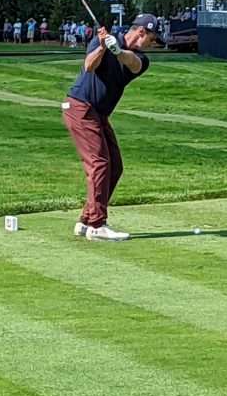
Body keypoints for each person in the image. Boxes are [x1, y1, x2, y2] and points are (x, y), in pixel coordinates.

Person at [63, 14, 160, 241]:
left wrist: (117, 50)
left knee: (114, 166)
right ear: (141, 32)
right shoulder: (102, 40)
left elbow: (133, 64)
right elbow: (89, 66)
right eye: (153, 39)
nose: (153, 45)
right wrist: (104, 48)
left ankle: (86, 220)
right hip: (81, 108)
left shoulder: (141, 59)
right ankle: (98, 225)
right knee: (99, 163)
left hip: (98, 114)